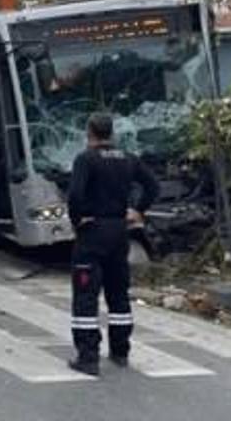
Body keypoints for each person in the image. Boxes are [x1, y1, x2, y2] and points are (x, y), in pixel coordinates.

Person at [66, 112, 159, 376]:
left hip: (93, 231)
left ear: (90, 132)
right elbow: (152, 186)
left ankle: (88, 357)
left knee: (85, 295)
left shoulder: (86, 159)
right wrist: (138, 210)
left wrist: (77, 220)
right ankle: (120, 351)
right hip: (119, 231)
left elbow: (75, 194)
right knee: (118, 292)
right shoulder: (128, 159)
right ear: (111, 133)